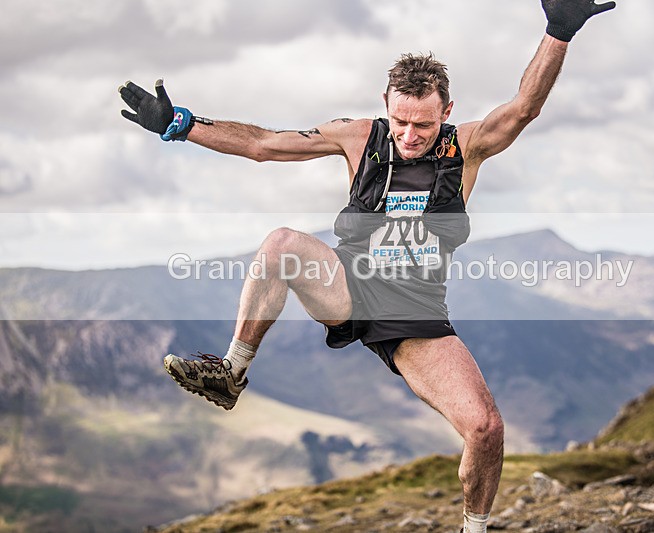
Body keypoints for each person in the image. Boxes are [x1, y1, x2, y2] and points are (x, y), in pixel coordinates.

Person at [118, 1, 615, 531]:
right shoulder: (359, 136)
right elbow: (264, 145)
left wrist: (558, 32)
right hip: (349, 284)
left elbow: (522, 108)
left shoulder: (465, 147)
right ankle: (230, 373)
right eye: (400, 120)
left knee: (486, 428)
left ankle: (475, 528)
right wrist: (181, 123)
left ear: (446, 111)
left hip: (415, 311)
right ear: (385, 106)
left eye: (423, 123)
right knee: (281, 242)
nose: (409, 134)